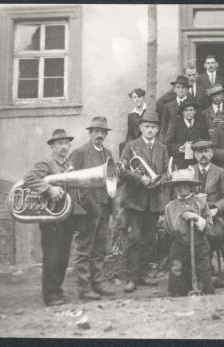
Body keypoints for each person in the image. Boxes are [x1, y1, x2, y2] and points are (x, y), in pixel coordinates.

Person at [23, 129, 85, 306]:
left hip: (65, 217)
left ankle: (58, 292)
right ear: (52, 146)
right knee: (52, 257)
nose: (64, 147)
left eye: (66, 143)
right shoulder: (47, 163)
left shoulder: (68, 165)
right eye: (59, 144)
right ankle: (50, 295)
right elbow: (29, 178)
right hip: (51, 220)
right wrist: (49, 189)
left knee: (63, 257)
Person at [120, 110, 170, 293]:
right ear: (140, 128)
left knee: (148, 240)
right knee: (133, 239)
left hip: (153, 200)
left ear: (157, 130)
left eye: (153, 127)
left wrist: (159, 181)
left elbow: (166, 172)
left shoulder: (162, 148)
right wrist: (141, 179)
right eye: (147, 126)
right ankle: (131, 278)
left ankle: (142, 274)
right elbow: (122, 170)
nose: (150, 130)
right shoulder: (130, 146)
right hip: (134, 200)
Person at [69, 117, 115, 300]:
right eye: (97, 131)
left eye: (103, 132)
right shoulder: (79, 152)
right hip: (87, 209)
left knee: (99, 249)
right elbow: (71, 180)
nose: (100, 135)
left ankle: (97, 284)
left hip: (104, 207)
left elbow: (112, 180)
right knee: (84, 248)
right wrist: (79, 205)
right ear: (90, 133)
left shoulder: (108, 153)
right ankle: (83, 287)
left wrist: (112, 208)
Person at [163, 169, 215, 296]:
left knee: (205, 288)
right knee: (177, 289)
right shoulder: (170, 206)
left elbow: (210, 228)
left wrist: (196, 218)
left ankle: (209, 280)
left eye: (185, 185)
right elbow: (169, 230)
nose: (181, 188)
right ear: (174, 188)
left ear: (191, 187)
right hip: (180, 248)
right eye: (178, 185)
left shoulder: (200, 203)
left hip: (199, 245)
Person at [190, 140, 224, 277]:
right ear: (194, 154)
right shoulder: (189, 171)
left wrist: (216, 209)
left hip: (214, 215)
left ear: (212, 153)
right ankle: (198, 266)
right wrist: (194, 197)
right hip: (194, 215)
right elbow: (179, 196)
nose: (203, 155)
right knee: (190, 234)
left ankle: (207, 263)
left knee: (215, 234)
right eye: (199, 152)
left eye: (206, 151)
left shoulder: (220, 172)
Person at [165, 100, 210, 170]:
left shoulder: (201, 125)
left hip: (197, 161)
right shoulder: (175, 125)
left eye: (191, 110)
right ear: (182, 112)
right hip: (180, 162)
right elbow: (167, 144)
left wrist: (198, 146)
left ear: (195, 112)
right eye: (186, 110)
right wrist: (179, 148)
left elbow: (207, 142)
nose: (189, 112)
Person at [160, 75, 191, 140]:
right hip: (172, 139)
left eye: (183, 88)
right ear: (174, 89)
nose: (181, 90)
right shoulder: (168, 106)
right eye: (178, 87)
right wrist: (162, 142)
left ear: (188, 90)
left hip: (188, 138)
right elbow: (164, 127)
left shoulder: (192, 105)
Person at [120, 88, 147, 156]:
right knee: (123, 145)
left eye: (139, 96)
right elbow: (130, 133)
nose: (137, 99)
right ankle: (124, 165)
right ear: (132, 99)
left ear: (143, 97)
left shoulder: (149, 110)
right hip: (136, 140)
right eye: (134, 97)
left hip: (148, 138)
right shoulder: (131, 115)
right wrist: (130, 143)